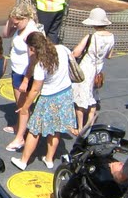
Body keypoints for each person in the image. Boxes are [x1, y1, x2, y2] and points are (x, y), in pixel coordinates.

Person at [10, 32, 77, 170]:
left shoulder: (41, 65)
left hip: (48, 98)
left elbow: (35, 90)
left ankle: (23, 161)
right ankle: (49, 159)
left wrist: (24, 107)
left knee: (35, 130)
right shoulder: (62, 49)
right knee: (56, 129)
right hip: (65, 93)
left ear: (33, 48)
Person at [2, 2, 42, 151]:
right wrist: (10, 21)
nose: (15, 24)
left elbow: (33, 59)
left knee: (23, 106)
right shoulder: (20, 27)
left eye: (17, 22)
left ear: (25, 18)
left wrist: (26, 80)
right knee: (19, 104)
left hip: (25, 74)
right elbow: (5, 34)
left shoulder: (31, 33)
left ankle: (20, 138)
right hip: (17, 70)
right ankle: (18, 126)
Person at [70, 7, 116, 132]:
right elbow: (109, 55)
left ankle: (80, 127)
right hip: (98, 67)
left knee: (80, 97)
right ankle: (89, 124)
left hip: (86, 67)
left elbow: (76, 52)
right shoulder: (111, 37)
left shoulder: (91, 37)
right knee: (93, 96)